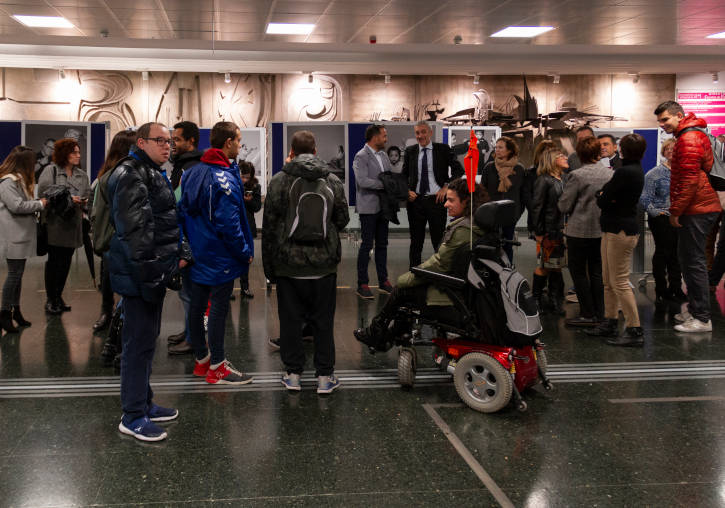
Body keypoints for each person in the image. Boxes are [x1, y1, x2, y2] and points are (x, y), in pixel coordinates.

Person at [107, 122, 185, 441]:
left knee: (146, 341)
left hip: (150, 272)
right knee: (137, 344)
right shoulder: (131, 174)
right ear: (142, 142)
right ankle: (133, 414)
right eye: (160, 141)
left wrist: (177, 255)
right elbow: (136, 233)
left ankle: (144, 402)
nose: (167, 146)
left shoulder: (150, 171)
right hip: (140, 274)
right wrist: (154, 273)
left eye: (170, 142)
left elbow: (163, 222)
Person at [354, 178, 488, 350]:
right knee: (406, 291)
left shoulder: (463, 231)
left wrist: (408, 276)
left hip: (452, 296)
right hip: (464, 290)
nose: (446, 204)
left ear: (467, 202)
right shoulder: (477, 225)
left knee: (402, 289)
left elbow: (439, 264)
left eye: (451, 200)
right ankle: (386, 334)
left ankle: (377, 333)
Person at [262, 130, 349, 394]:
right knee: (323, 321)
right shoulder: (332, 179)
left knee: (290, 320)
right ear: (315, 149)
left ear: (292, 149)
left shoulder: (279, 180)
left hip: (289, 265)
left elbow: (269, 226)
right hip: (323, 266)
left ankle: (293, 374)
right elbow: (342, 219)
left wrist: (270, 268)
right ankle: (324, 376)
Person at [180, 121, 254, 385]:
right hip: (220, 256)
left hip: (199, 254)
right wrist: (244, 251)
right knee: (218, 312)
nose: (240, 144)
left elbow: (182, 211)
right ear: (228, 143)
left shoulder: (192, 172)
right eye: (238, 140)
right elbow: (229, 223)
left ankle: (202, 360)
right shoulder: (222, 177)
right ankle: (218, 366)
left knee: (198, 308)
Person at [655, 100, 720, 333]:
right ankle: (695, 311)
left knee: (693, 263)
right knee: (689, 261)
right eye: (660, 121)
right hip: (699, 207)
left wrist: (675, 211)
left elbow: (689, 181)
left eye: (665, 119)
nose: (662, 125)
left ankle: (702, 318)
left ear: (679, 115)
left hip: (697, 209)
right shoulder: (692, 135)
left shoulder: (689, 138)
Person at [590, 134, 646, 345]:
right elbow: (606, 197)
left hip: (619, 231)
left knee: (619, 281)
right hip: (615, 228)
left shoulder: (624, 172)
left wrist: (604, 195)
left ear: (622, 149)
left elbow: (603, 200)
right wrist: (605, 195)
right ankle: (610, 321)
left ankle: (634, 330)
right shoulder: (635, 170)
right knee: (608, 280)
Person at [558, 137, 611, 327]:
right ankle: (600, 312)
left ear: (579, 154)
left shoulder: (577, 175)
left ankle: (587, 313)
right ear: (598, 152)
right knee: (597, 271)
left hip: (578, 231)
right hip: (600, 229)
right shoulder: (608, 174)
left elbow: (564, 205)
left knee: (578, 272)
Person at [90, 130, 137, 332]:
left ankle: (115, 313)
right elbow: (99, 213)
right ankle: (107, 312)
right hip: (113, 238)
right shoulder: (107, 178)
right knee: (108, 277)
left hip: (129, 237)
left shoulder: (133, 174)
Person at [37, 138, 91, 315]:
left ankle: (58, 296)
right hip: (55, 223)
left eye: (78, 152)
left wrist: (83, 202)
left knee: (66, 262)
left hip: (73, 224)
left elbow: (87, 196)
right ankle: (51, 299)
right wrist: (68, 199)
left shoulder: (82, 175)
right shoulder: (50, 171)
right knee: (54, 262)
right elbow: (44, 196)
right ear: (64, 154)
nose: (78, 155)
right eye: (74, 152)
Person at [401, 121, 464, 269]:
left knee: (439, 241)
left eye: (423, 132)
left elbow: (458, 170)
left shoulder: (442, 149)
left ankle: (440, 274)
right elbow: (403, 176)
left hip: (436, 201)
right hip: (415, 202)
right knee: (416, 242)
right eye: (417, 133)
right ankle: (414, 274)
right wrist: (406, 191)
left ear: (430, 133)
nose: (420, 136)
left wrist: (446, 187)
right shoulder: (410, 151)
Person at [0, 146, 48, 333]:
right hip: (13, 236)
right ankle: (4, 313)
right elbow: (16, 206)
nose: (35, 165)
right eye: (32, 162)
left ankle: (15, 311)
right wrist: (40, 204)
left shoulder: (17, 181)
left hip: (20, 235)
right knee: (14, 276)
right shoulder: (7, 182)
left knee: (17, 275)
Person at [640, 138, 684, 305]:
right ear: (663, 152)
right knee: (663, 253)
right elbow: (645, 198)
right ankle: (661, 290)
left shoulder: (684, 172)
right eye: (668, 149)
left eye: (675, 149)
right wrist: (656, 213)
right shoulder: (654, 173)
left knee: (676, 255)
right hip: (661, 219)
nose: (671, 151)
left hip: (680, 218)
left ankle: (676, 288)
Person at [353, 124, 393, 299]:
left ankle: (383, 281)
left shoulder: (383, 156)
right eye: (384, 136)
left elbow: (389, 176)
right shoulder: (361, 156)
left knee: (383, 245)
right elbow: (362, 181)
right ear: (375, 137)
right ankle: (362, 283)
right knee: (367, 245)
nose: (386, 139)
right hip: (368, 208)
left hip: (383, 208)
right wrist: (384, 185)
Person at [530, 148, 567, 315]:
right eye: (561, 156)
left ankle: (553, 299)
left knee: (556, 266)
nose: (566, 158)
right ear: (552, 160)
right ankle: (536, 299)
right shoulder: (543, 180)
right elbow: (536, 207)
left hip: (560, 230)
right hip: (548, 230)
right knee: (544, 265)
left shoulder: (563, 179)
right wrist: (538, 231)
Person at [479, 136, 526, 263]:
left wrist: (516, 214)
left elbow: (522, 195)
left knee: (507, 246)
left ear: (509, 150)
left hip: (509, 215)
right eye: (496, 147)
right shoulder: (489, 167)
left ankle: (507, 270)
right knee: (490, 245)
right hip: (491, 215)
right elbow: (482, 192)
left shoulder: (519, 169)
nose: (497, 150)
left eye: (500, 147)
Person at [237, 160, 261, 300]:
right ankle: (228, 290)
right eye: (243, 176)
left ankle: (244, 287)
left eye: (247, 177)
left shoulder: (255, 186)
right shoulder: (233, 183)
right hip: (234, 224)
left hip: (247, 224)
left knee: (247, 258)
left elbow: (257, 207)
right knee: (231, 257)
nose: (245, 180)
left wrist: (249, 201)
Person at [170, 121, 203, 190]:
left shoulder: (193, 168)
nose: (172, 143)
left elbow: (180, 198)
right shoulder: (181, 164)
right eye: (172, 140)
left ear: (191, 141)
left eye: (177, 139)